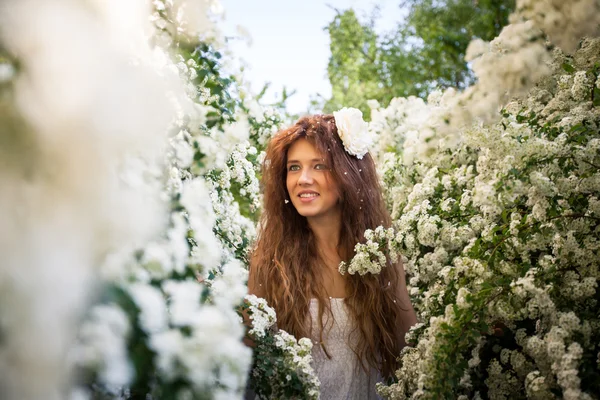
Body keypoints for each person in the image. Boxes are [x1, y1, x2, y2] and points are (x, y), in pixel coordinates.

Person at [248, 111, 417, 399]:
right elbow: (249, 352)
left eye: (319, 166)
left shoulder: (380, 256)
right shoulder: (269, 260)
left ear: (347, 175)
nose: (303, 179)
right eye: (293, 167)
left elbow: (409, 349)